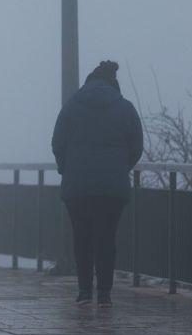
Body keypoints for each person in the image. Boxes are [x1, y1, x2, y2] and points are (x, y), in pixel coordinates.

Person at [51, 60, 143, 307]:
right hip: (112, 186)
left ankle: (83, 291)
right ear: (113, 84)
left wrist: (66, 169)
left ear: (89, 81)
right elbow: (136, 146)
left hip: (77, 184)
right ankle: (104, 293)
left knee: (82, 237)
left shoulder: (71, 106)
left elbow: (57, 142)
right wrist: (119, 168)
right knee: (106, 237)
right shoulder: (125, 108)